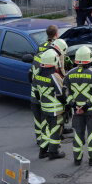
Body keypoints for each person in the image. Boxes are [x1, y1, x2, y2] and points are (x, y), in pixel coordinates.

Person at [64, 46, 92, 166]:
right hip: (91, 110)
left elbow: (65, 92)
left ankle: (77, 159)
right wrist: (86, 106)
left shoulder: (69, 74)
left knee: (77, 133)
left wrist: (74, 105)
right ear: (90, 58)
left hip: (76, 111)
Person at [29, 25, 58, 157]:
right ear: (56, 34)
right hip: (46, 92)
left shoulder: (39, 48)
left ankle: (40, 140)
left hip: (36, 90)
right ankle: (46, 143)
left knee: (38, 118)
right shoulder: (54, 49)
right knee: (48, 119)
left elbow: (30, 73)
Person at [33, 49, 67, 160]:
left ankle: (42, 151)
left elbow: (36, 92)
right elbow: (61, 94)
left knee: (46, 130)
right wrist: (67, 105)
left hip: (44, 108)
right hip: (55, 109)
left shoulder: (37, 75)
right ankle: (53, 152)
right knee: (55, 130)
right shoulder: (54, 76)